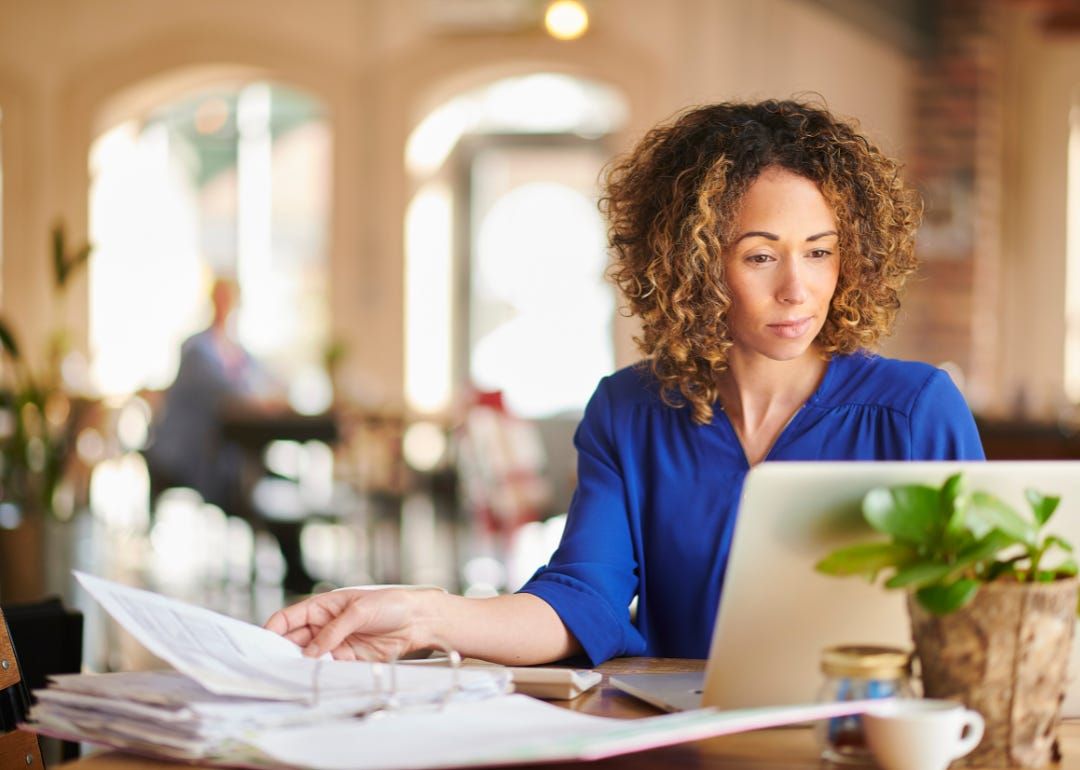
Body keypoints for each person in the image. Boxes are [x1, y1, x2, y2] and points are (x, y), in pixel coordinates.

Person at [264, 99, 985, 666]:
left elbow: (980, 614)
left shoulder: (914, 410)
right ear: (697, 264)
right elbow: (585, 598)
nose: (799, 289)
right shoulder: (630, 410)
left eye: (820, 252)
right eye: (761, 257)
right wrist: (426, 616)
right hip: (680, 744)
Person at [145, 277, 279, 515]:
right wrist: (260, 401)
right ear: (212, 300)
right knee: (244, 477)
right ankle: (255, 518)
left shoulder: (235, 349)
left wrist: (274, 395)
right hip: (188, 448)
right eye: (222, 298)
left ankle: (267, 521)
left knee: (260, 473)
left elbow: (265, 379)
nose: (226, 305)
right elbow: (228, 391)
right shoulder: (196, 349)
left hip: (221, 446)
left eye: (231, 299)